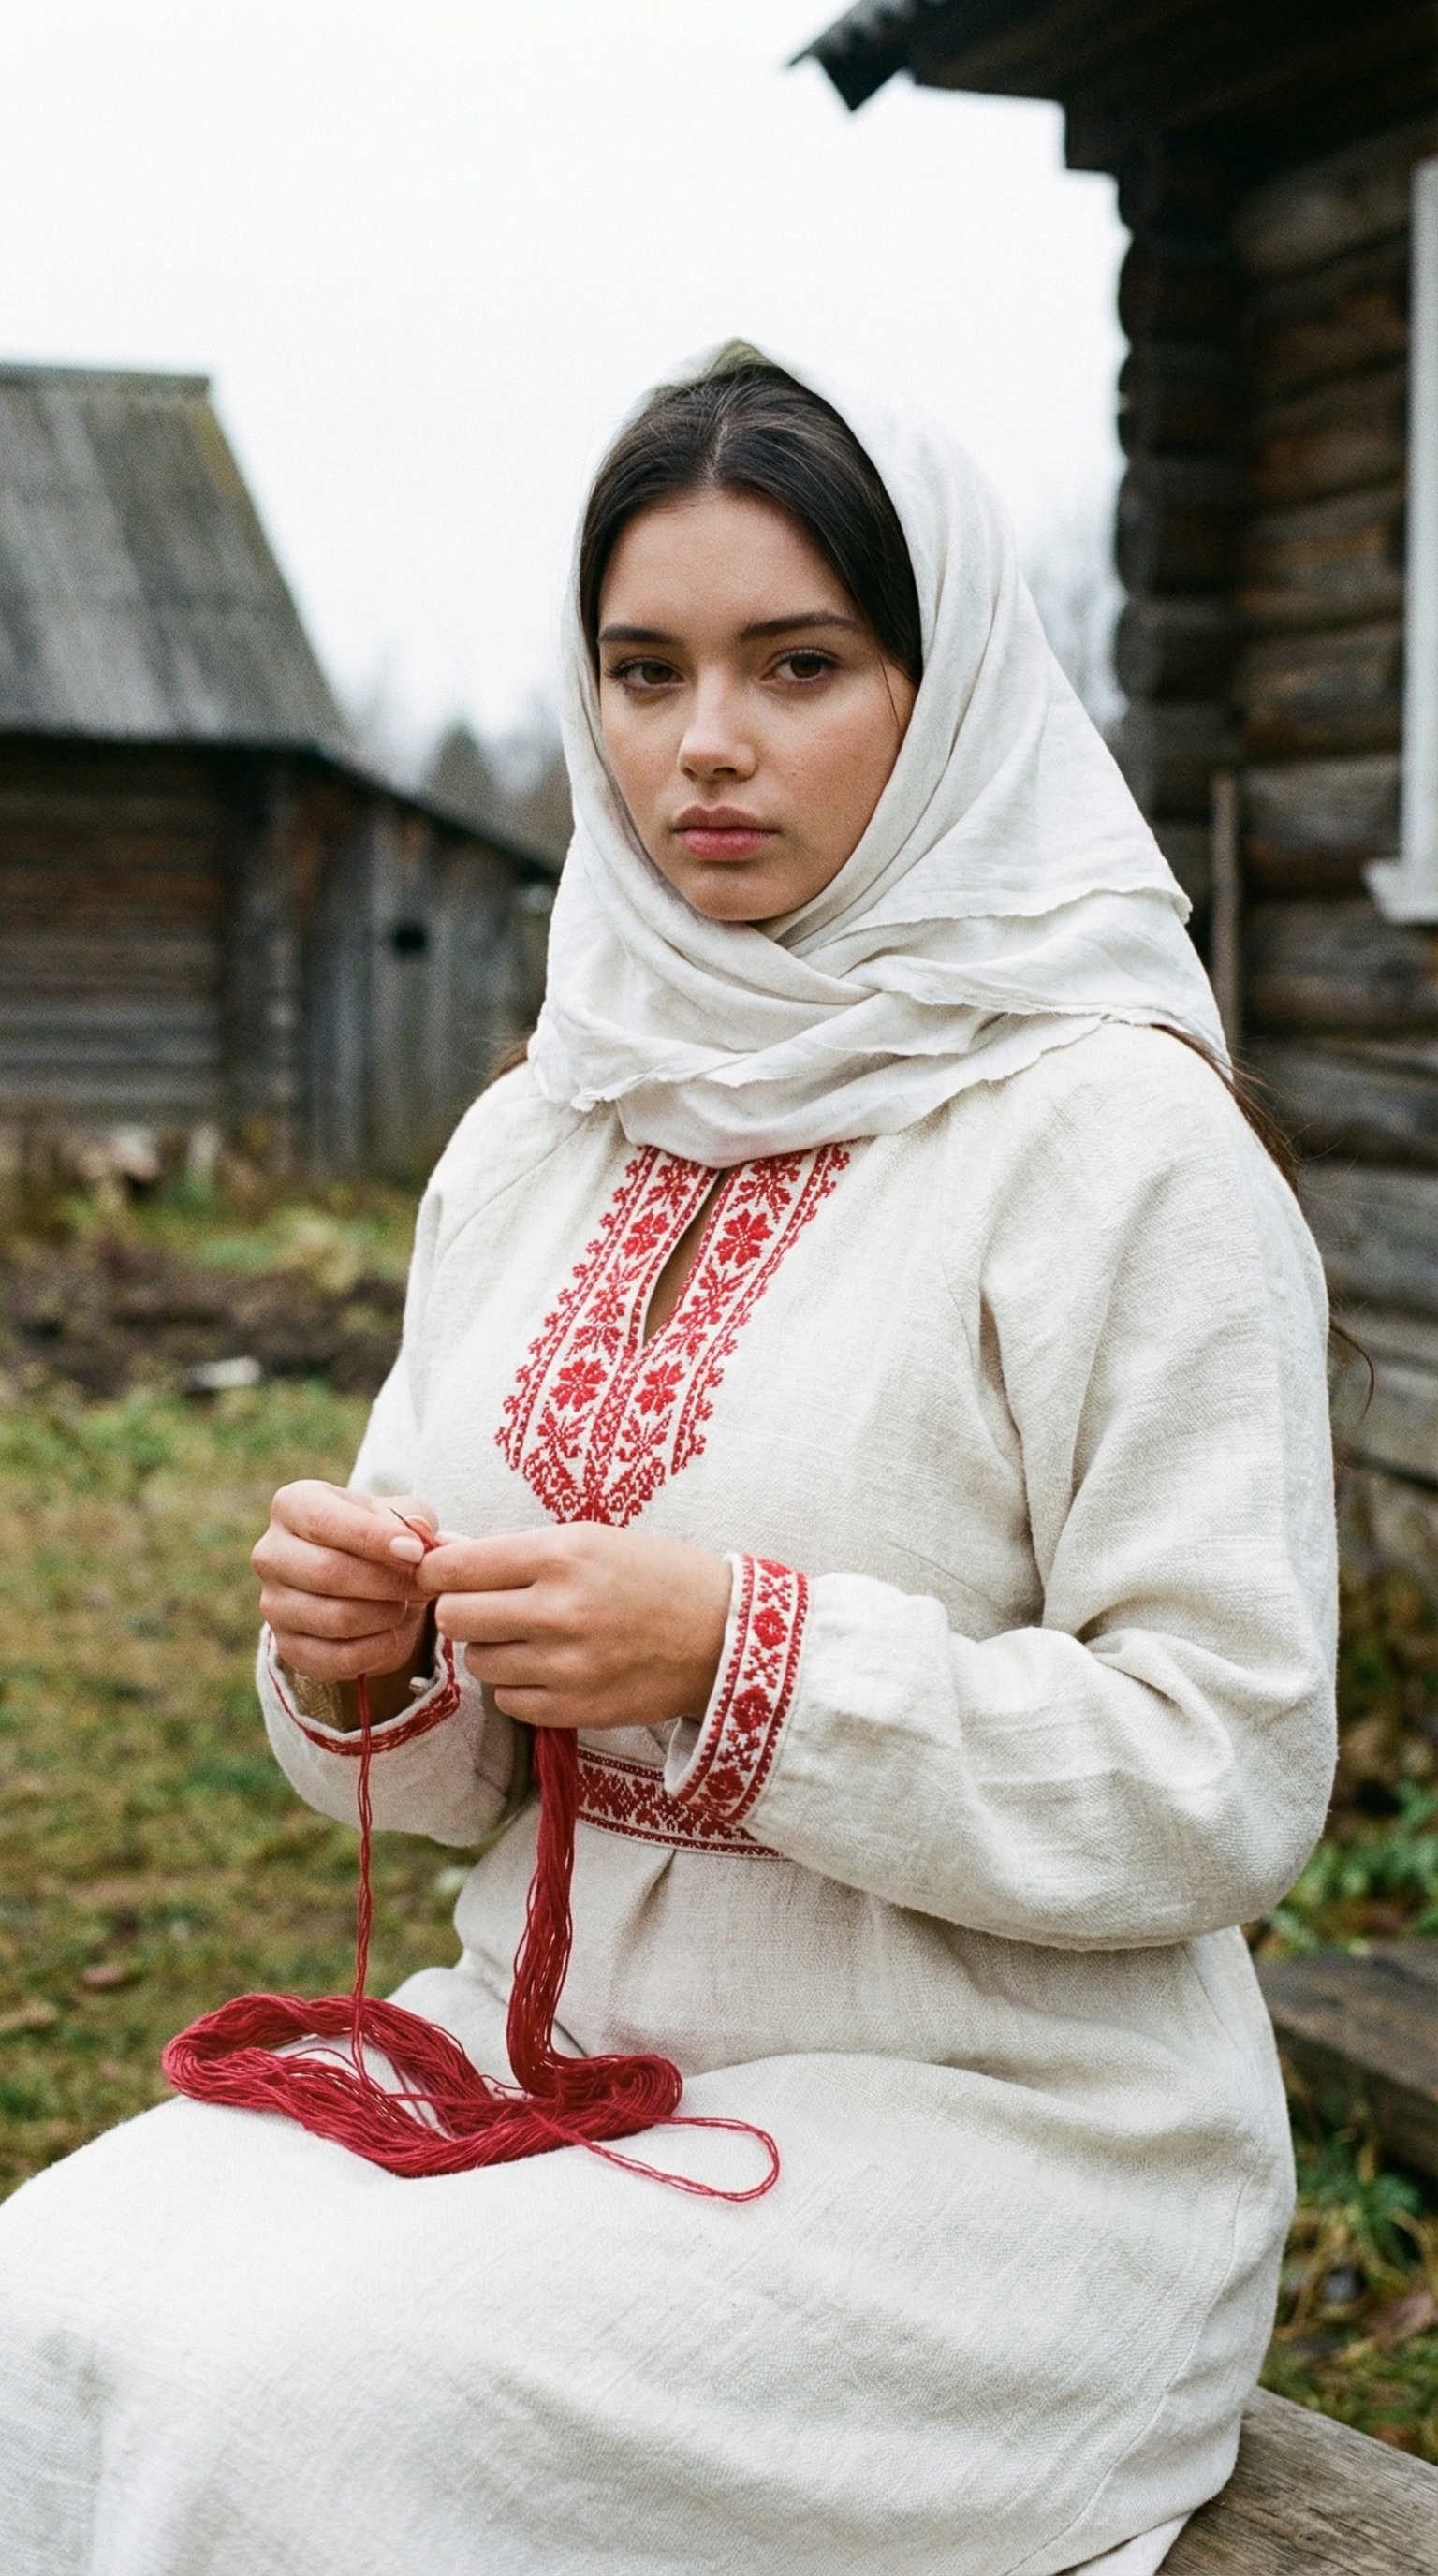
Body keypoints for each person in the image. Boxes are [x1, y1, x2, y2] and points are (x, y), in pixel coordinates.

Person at [0, 345, 1336, 2576]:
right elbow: (445, 1783)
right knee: (39, 2306)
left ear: (952, 684)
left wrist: (741, 1656)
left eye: (796, 662)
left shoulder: (1113, 1136)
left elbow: (1227, 1766)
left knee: (292, 2415)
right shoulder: (543, 1132)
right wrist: (361, 1667)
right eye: (645, 669)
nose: (702, 742)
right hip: (559, 2059)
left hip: (1006, 2156)